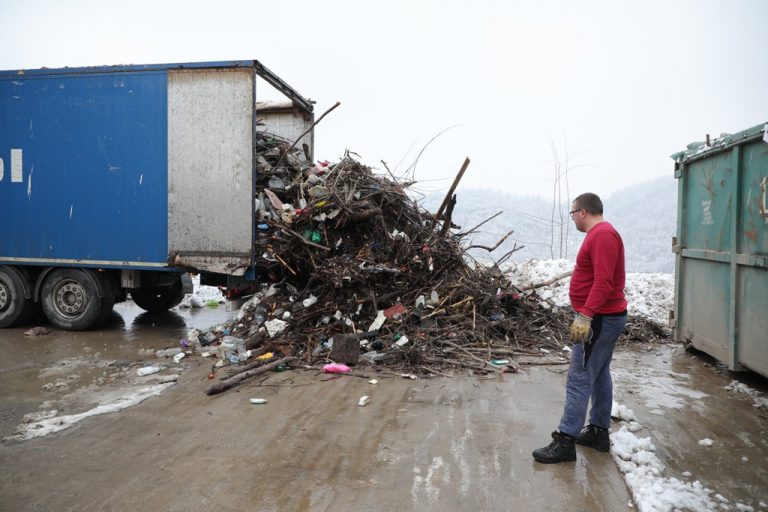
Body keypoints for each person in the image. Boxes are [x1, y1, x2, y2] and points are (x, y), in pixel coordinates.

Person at [532, 192, 627, 464]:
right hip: (605, 316)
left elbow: (604, 280)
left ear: (583, 212)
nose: (572, 217)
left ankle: (565, 440)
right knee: (598, 373)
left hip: (600, 318)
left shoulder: (602, 235)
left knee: (579, 377)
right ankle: (598, 431)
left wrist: (585, 315)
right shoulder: (601, 234)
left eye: (572, 213)